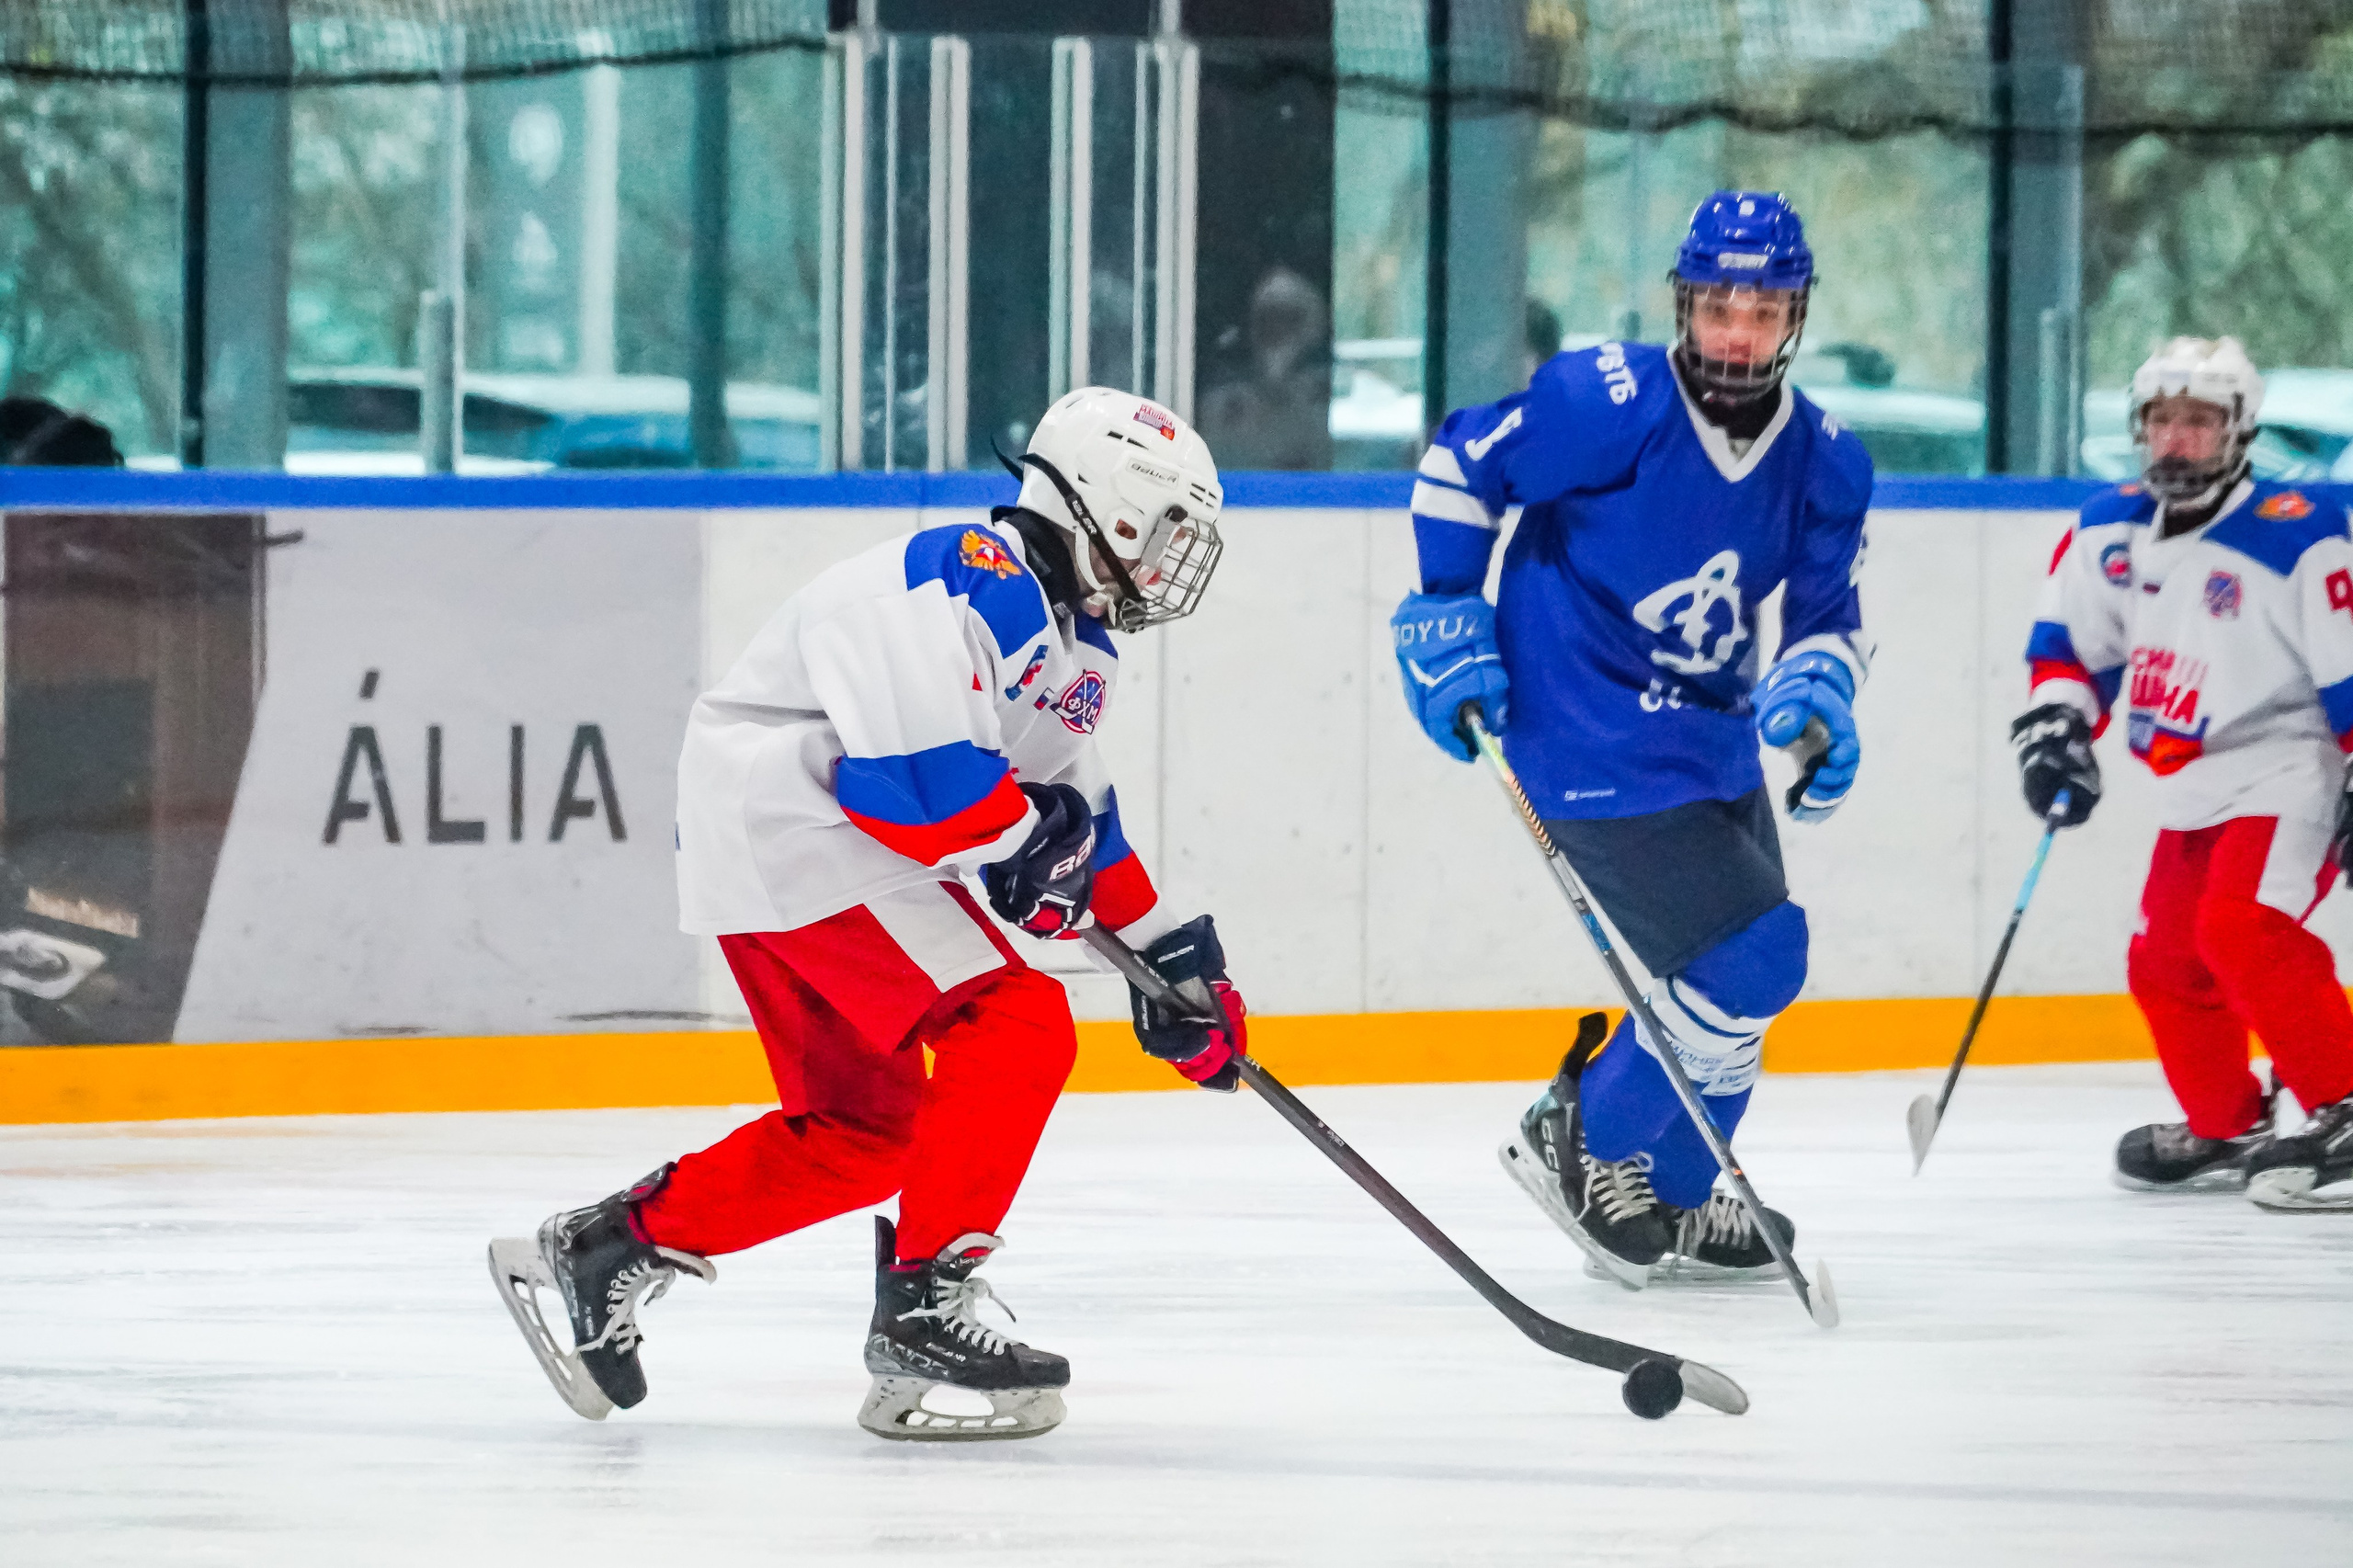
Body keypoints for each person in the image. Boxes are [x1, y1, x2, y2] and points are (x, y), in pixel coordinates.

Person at [490, 387, 1251, 1438]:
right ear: (1112, 509)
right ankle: (927, 1301)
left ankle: (606, 1246)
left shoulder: (1070, 642)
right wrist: (1036, 848)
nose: (1172, 563)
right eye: (1166, 530)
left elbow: (1083, 822)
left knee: (867, 1133)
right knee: (1018, 1022)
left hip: (785, 851)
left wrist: (1175, 967)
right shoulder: (954, 580)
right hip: (797, 835)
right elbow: (910, 791)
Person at [1389, 190, 1873, 1289]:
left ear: (1795, 315)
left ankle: (1677, 1187)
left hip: (1711, 736)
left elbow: (1827, 614)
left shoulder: (1825, 461)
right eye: (1716, 307)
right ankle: (1585, 1137)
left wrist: (1817, 695)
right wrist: (1446, 607)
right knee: (1756, 957)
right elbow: (1463, 463)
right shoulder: (1603, 402)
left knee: (1720, 994)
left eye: (1762, 309)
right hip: (1578, 721)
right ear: (1683, 306)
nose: (1736, 334)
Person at [2017, 335, 2353, 1211]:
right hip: (2195, 780)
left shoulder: (2301, 533)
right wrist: (2058, 728)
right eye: (2162, 420)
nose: (2175, 439)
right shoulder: (2108, 526)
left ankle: (2345, 1104)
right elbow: (2069, 650)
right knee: (2166, 958)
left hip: (2293, 764)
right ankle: (2227, 1120)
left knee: (2245, 930)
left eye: (2198, 421)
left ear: (2239, 431)